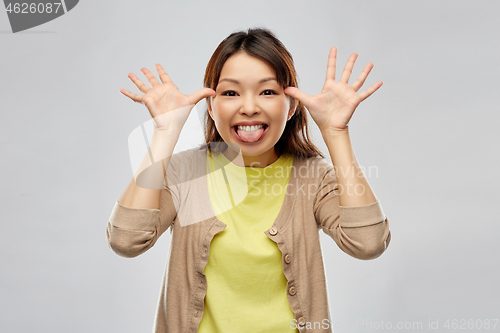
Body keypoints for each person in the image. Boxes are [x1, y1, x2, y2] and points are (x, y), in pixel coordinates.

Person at [106, 28, 391, 333]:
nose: (250, 106)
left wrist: (336, 133)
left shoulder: (313, 177)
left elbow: (368, 243)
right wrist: (164, 133)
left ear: (291, 105)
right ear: (212, 106)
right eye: (231, 92)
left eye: (267, 91)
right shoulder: (186, 173)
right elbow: (126, 240)